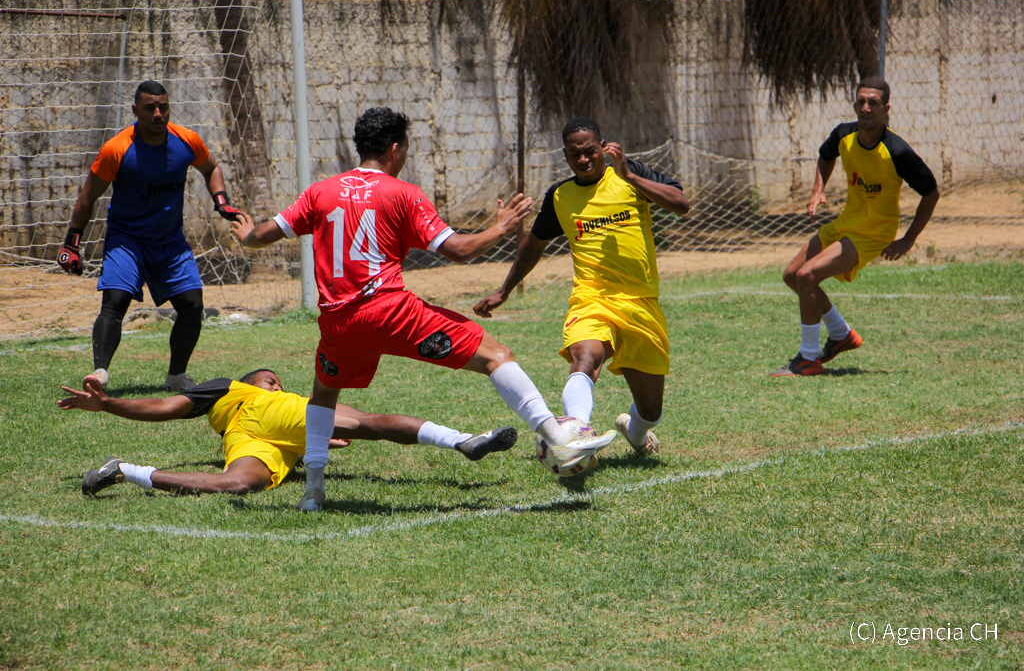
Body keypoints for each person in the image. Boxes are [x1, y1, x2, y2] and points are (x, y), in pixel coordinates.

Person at [231, 107, 616, 511]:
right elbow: (458, 250)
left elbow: (262, 235)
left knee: (324, 394)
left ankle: (313, 491)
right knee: (496, 356)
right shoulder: (402, 193)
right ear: (396, 149)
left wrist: (246, 234)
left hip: (338, 324)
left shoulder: (319, 192)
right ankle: (558, 438)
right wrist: (499, 228)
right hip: (392, 314)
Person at [475, 117, 690, 457]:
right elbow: (534, 244)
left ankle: (635, 431)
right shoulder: (560, 196)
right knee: (585, 358)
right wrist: (504, 290)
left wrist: (630, 177)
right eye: (575, 154)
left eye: (590, 151)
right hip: (591, 297)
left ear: (603, 148)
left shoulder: (630, 174)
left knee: (650, 410)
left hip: (640, 302)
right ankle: (574, 431)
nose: (584, 159)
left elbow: (680, 204)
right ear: (566, 155)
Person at [57, 80, 246, 392]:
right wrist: (72, 242)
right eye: (150, 108)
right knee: (115, 302)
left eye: (163, 107)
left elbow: (212, 169)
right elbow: (87, 197)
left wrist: (221, 201)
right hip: (127, 241)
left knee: (192, 305)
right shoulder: (117, 149)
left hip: (170, 242)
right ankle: (99, 373)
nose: (158, 114)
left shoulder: (186, 141)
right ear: (135, 110)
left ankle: (176, 378)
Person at [61, 368, 519, 496]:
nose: (277, 385)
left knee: (235, 484)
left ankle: (123, 470)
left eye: (280, 383)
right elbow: (163, 407)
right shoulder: (230, 388)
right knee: (362, 423)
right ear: (251, 381)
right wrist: (110, 404)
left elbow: (297, 433)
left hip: (259, 436)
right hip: (249, 428)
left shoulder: (278, 401)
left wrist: (310, 441)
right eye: (271, 380)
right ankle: (460, 440)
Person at [771, 77, 940, 376]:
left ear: (886, 109)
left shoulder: (897, 152)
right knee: (792, 275)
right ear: (854, 104)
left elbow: (931, 192)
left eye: (873, 102)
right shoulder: (844, 134)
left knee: (807, 275)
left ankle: (808, 359)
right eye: (861, 101)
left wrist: (909, 239)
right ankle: (841, 334)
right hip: (847, 222)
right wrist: (817, 189)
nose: (866, 108)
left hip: (874, 232)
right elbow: (826, 155)